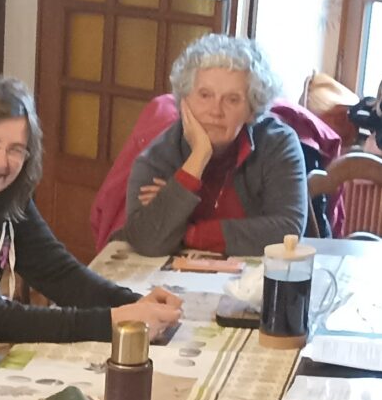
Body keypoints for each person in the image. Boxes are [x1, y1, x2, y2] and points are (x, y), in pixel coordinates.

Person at [0, 77, 181, 393]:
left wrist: (135, 303)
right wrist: (117, 320)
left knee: (87, 390)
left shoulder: (4, 193)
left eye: (15, 150)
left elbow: (58, 272)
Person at [123, 34, 310, 258]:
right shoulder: (159, 156)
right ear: (184, 102)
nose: (216, 111)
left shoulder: (278, 145)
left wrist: (188, 233)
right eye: (205, 95)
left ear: (251, 110)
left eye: (232, 99)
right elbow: (145, 240)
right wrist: (199, 156)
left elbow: (287, 230)